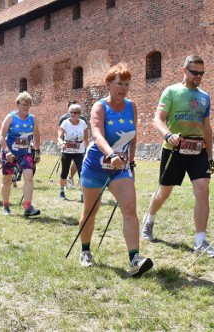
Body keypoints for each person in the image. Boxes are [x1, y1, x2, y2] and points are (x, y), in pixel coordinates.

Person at [77, 62, 153, 277]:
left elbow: (133, 136)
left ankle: (135, 259)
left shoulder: (132, 106)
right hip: (96, 165)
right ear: (109, 84)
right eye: (119, 83)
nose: (123, 88)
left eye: (127, 84)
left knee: (129, 208)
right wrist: (110, 153)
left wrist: (132, 162)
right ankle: (85, 251)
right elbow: (97, 134)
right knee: (91, 210)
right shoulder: (100, 107)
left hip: (121, 168)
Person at [141, 55, 214, 257]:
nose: (199, 77)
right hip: (174, 148)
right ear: (184, 71)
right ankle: (149, 219)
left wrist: (210, 156)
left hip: (197, 150)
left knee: (203, 190)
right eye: (195, 72)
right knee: (164, 193)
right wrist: (168, 134)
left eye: (202, 73)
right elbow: (157, 119)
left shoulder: (205, 96)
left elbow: (207, 128)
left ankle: (200, 241)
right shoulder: (171, 92)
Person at [0, 91, 41, 217]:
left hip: (25, 153)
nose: (25, 107)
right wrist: (7, 151)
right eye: (23, 104)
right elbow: (1, 136)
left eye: (28, 105)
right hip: (9, 153)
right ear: (17, 104)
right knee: (7, 180)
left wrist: (37, 151)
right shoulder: (10, 117)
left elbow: (36, 135)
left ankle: (27, 207)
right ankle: (5, 206)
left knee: (29, 177)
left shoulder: (33, 119)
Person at [57, 103, 88, 200]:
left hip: (79, 152)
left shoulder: (83, 123)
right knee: (64, 172)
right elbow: (59, 137)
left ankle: (83, 193)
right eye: (71, 112)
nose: (73, 114)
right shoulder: (65, 123)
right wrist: (62, 143)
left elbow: (86, 138)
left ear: (79, 114)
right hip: (67, 151)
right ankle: (62, 191)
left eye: (75, 112)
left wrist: (88, 150)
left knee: (82, 172)